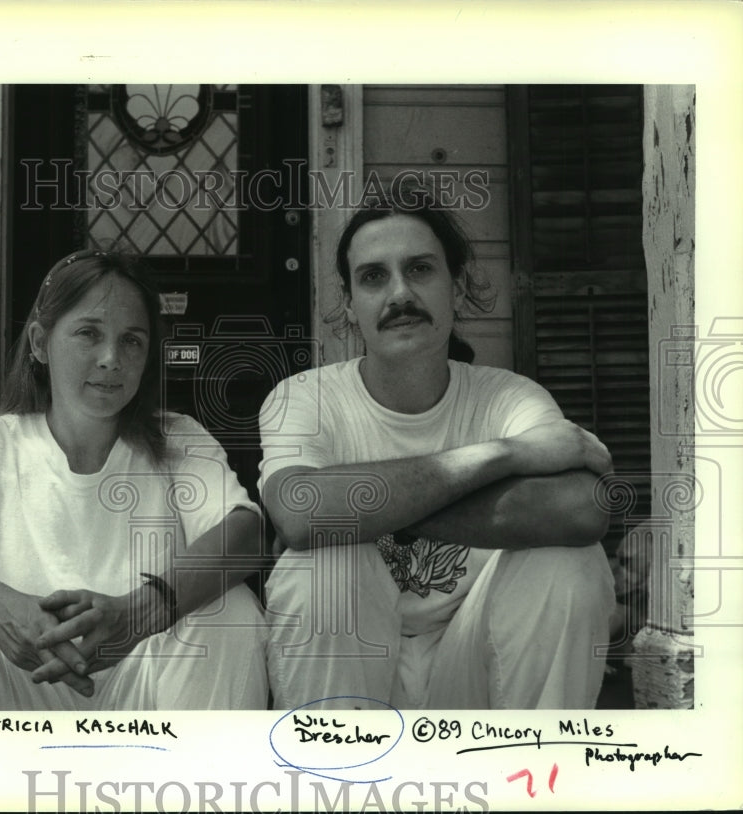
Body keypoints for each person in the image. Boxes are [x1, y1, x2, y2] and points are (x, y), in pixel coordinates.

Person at [0, 249, 268, 710]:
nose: (111, 358)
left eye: (132, 340)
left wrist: (137, 615)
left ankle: (196, 779)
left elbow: (246, 534)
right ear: (39, 342)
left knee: (232, 612)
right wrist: (1, 608)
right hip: (15, 692)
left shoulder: (179, 439)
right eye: (88, 333)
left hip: (145, 697)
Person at [258, 192, 616, 710]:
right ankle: (332, 777)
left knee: (569, 563)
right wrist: (506, 455)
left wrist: (367, 509)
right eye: (374, 277)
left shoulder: (509, 397)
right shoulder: (305, 398)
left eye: (420, 269)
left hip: (476, 654)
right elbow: (299, 512)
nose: (399, 293)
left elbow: (583, 511)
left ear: (457, 286)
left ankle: (532, 774)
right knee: (322, 568)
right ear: (349, 302)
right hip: (353, 661)